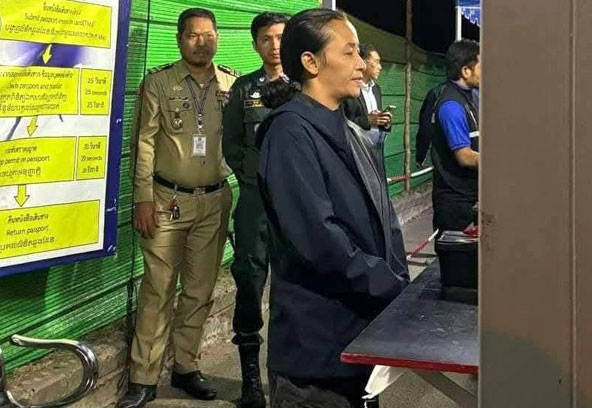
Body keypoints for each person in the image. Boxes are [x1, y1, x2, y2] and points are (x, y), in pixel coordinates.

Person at [255, 9, 409, 408]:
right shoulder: (289, 132)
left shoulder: (352, 131)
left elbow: (384, 219)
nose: (361, 64)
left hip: (360, 339)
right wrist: (389, 285)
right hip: (316, 357)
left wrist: (398, 280)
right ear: (311, 62)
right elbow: (319, 240)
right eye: (349, 52)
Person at [120, 8, 239, 408]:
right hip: (165, 200)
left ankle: (186, 367)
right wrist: (142, 197)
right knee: (157, 288)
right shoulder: (159, 82)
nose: (202, 42)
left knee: (199, 290)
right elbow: (143, 142)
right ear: (179, 39)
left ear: (217, 37)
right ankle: (143, 378)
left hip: (215, 199)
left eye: (209, 35)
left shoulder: (232, 83)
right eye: (193, 35)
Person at [222, 11, 287, 408]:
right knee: (248, 283)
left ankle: (284, 377)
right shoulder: (244, 89)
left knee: (293, 289)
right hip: (255, 204)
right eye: (266, 38)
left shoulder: (306, 84)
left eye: (281, 37)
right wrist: (253, 177)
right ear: (255, 44)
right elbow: (231, 144)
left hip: (296, 205)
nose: (275, 46)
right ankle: (251, 382)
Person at [431, 39, 480, 232]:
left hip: (469, 196)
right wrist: (499, 164)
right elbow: (464, 156)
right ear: (466, 71)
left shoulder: (470, 97)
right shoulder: (451, 105)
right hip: (456, 206)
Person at [342, 43, 391, 144]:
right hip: (357, 145)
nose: (380, 67)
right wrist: (368, 120)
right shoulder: (349, 89)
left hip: (377, 144)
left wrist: (384, 121)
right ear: (363, 63)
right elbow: (343, 122)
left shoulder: (376, 89)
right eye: (376, 62)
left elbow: (377, 121)